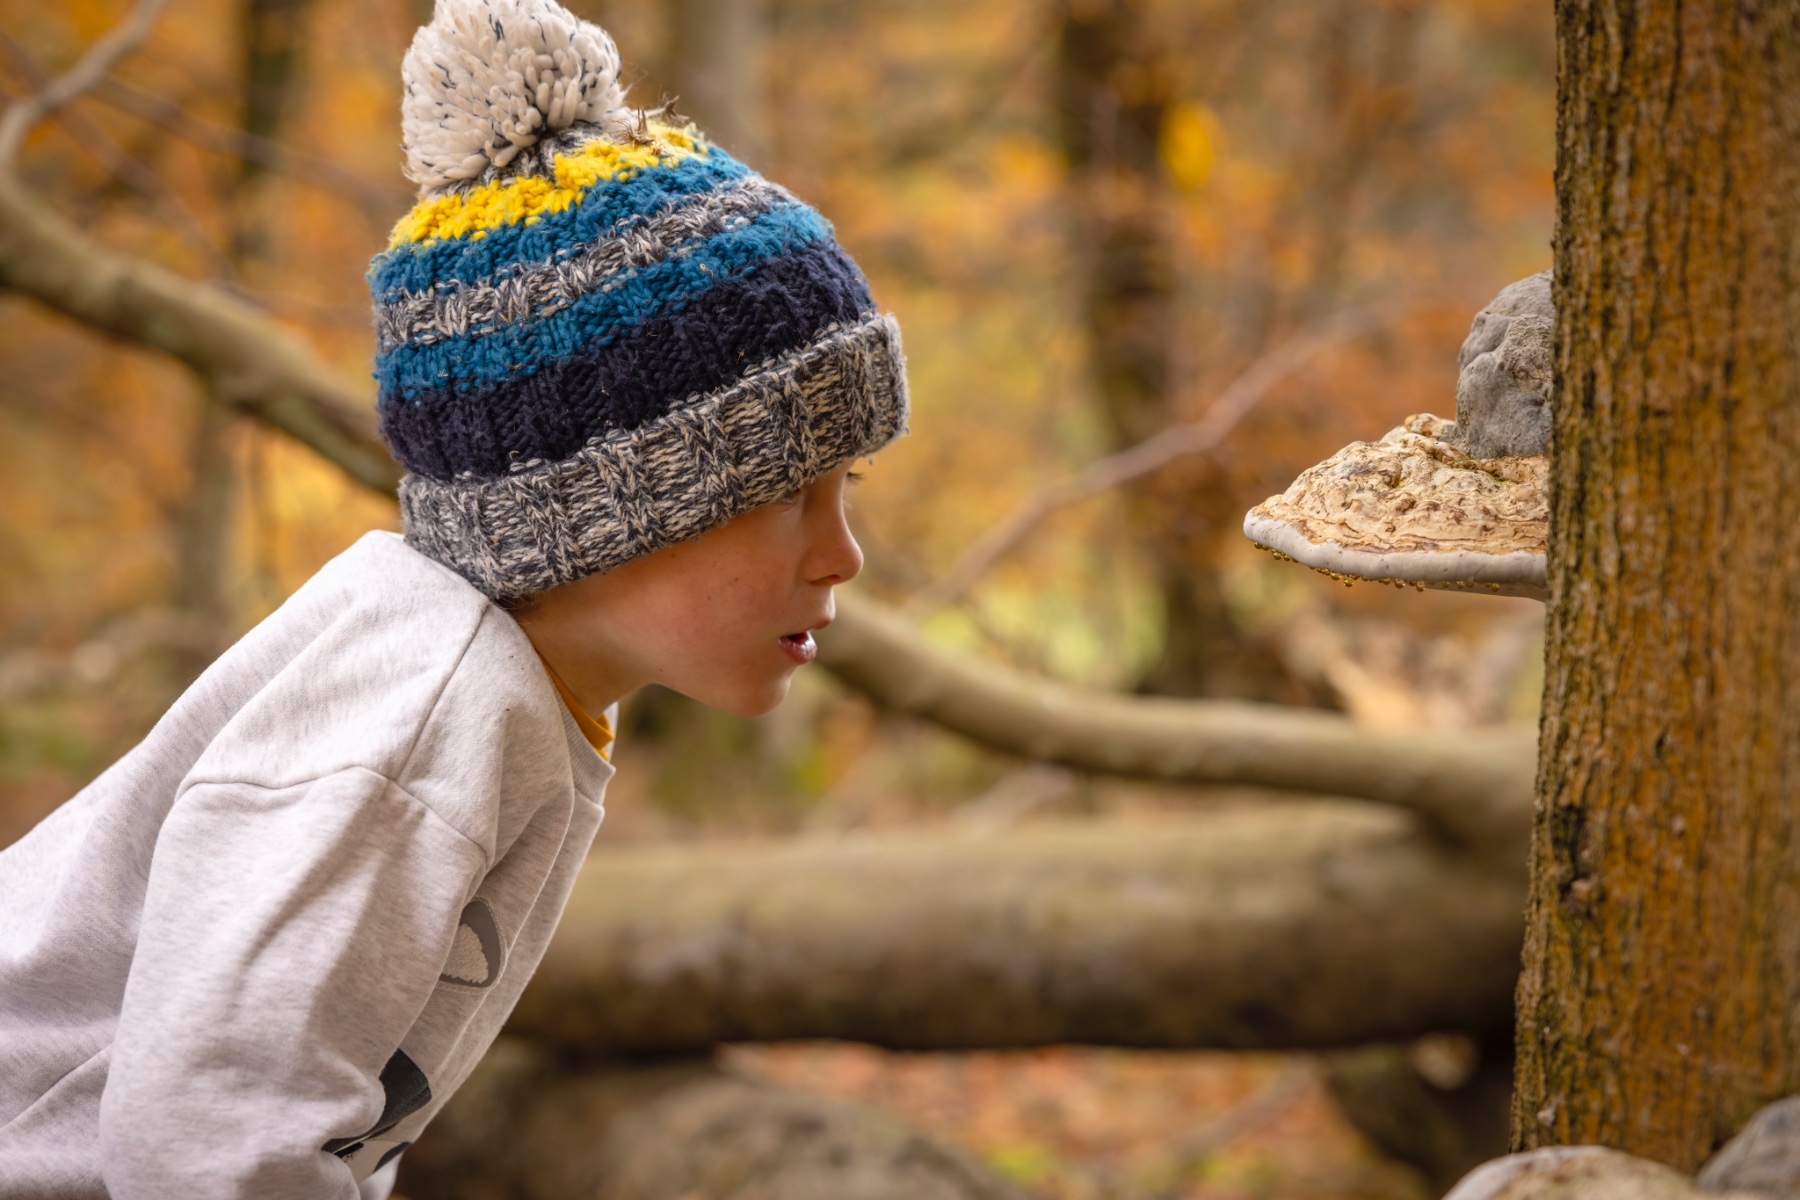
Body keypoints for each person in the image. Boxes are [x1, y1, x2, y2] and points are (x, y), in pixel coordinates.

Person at [0, 0, 908, 1194]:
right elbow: (209, 1147)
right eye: (792, 492)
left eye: (848, 490)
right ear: (611, 508)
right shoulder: (422, 725)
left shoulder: (504, 690)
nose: (841, 554)